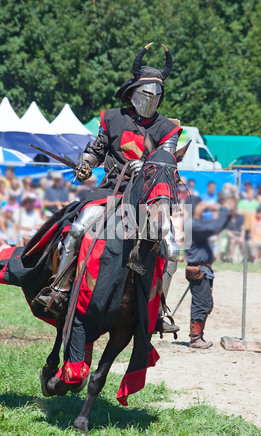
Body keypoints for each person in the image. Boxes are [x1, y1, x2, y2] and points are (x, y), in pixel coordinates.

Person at [37, 43, 183, 335]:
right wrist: (86, 163)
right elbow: (97, 150)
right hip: (111, 191)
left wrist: (147, 168)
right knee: (79, 228)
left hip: (145, 199)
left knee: (173, 248)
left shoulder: (167, 128)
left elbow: (166, 161)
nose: (150, 101)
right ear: (133, 92)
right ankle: (60, 288)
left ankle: (159, 309)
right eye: (145, 95)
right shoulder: (112, 118)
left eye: (156, 96)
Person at [184, 189, 236, 349]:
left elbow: (217, 226)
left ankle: (198, 336)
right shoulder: (192, 224)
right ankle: (195, 338)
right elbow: (215, 227)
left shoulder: (196, 223)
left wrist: (227, 214)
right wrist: (225, 209)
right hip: (198, 270)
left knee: (205, 304)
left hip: (203, 269)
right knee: (201, 304)